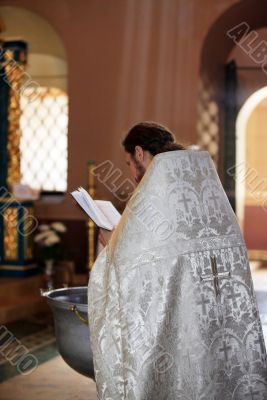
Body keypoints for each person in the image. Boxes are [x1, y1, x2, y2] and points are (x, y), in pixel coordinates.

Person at [88, 122, 267, 400]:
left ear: (139, 152)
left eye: (128, 163)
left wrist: (110, 243)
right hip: (213, 304)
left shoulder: (154, 189)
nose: (132, 174)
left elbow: (132, 263)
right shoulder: (200, 177)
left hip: (180, 312)